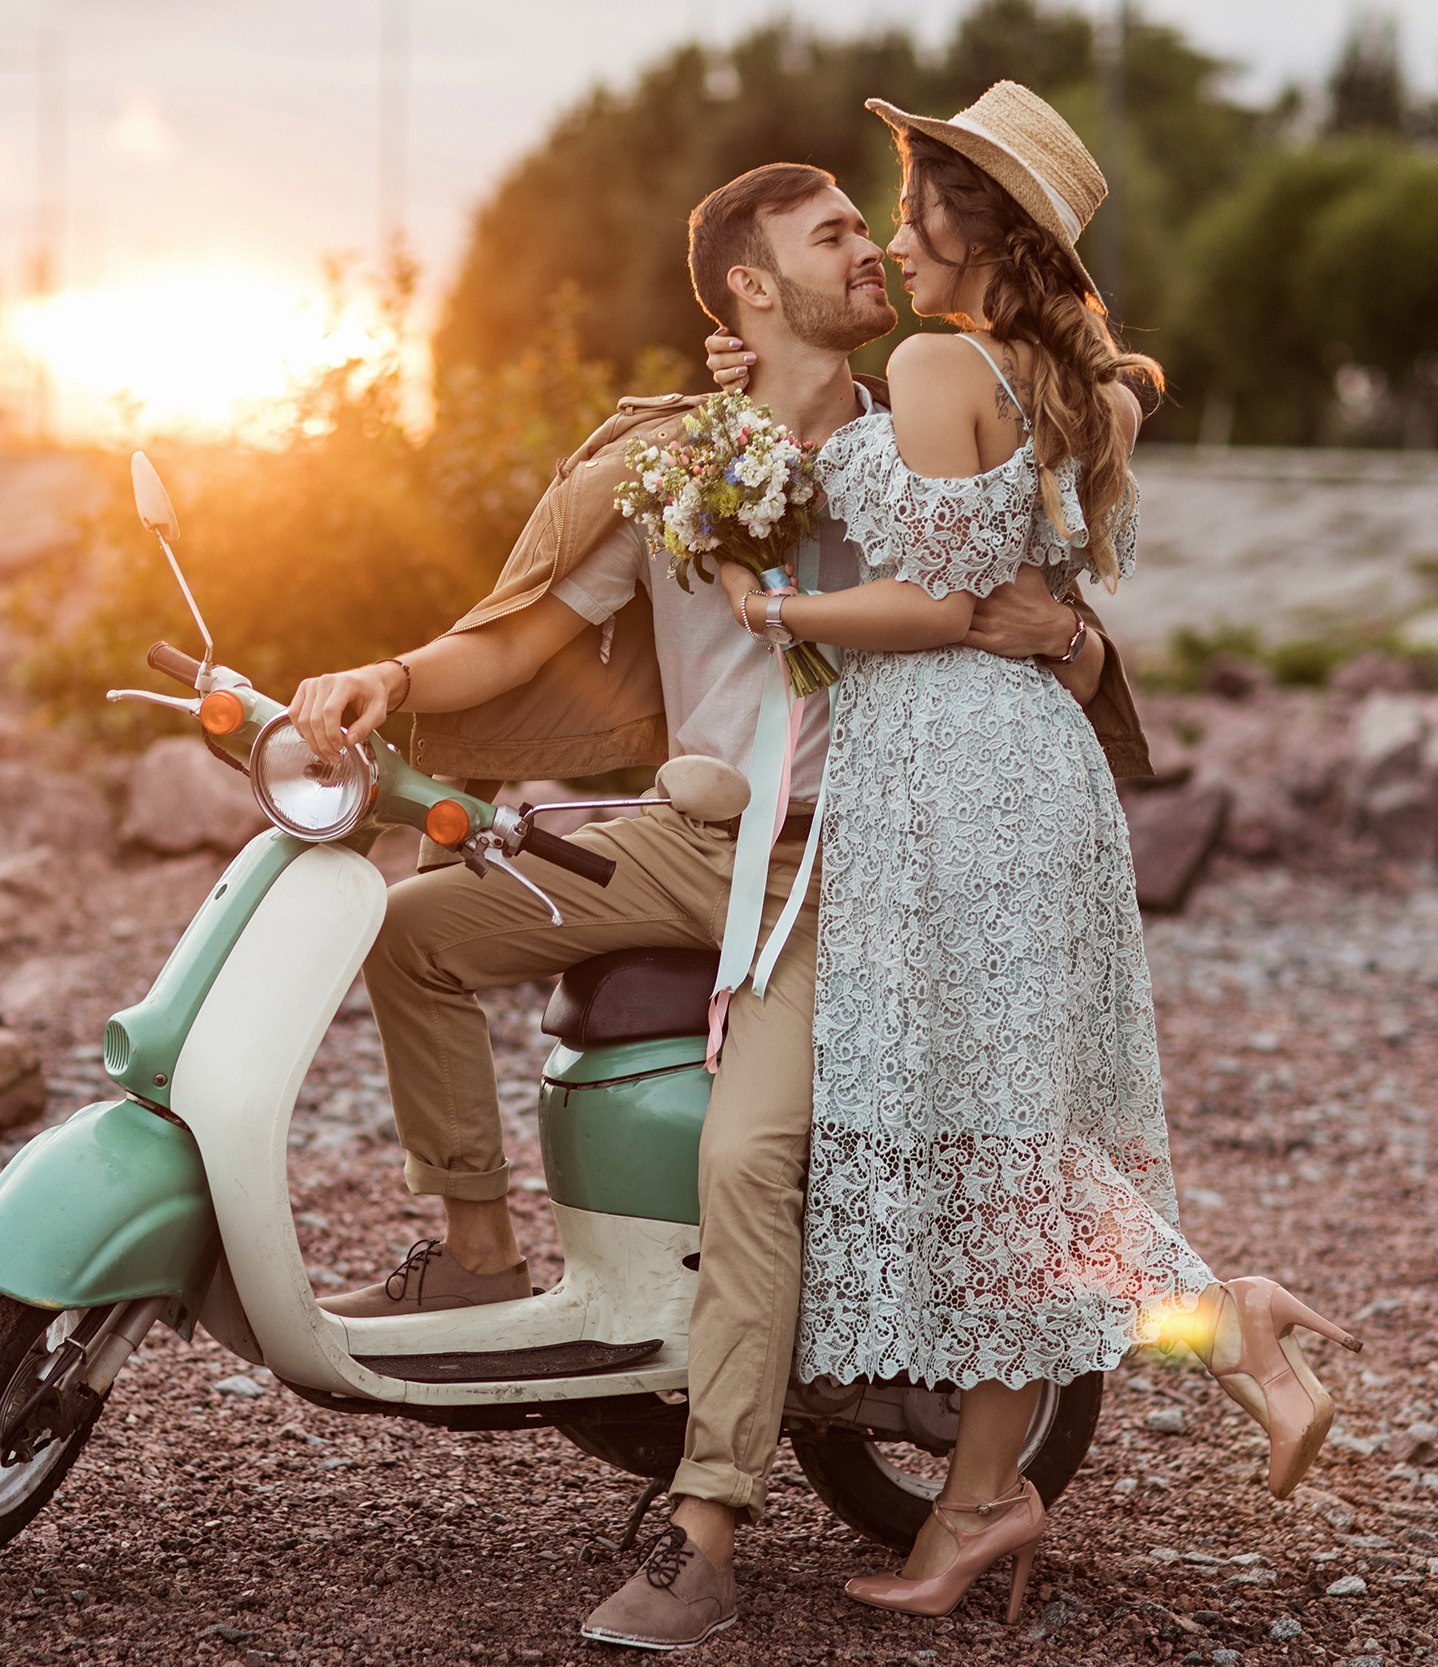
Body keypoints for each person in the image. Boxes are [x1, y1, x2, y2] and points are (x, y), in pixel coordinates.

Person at [284, 160, 1152, 1650]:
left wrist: (1061, 630)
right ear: (750, 287)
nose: (873, 250)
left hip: (853, 853)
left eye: (872, 227)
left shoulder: (921, 432)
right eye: (831, 237)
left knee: (750, 1159)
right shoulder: (673, 462)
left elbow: (1026, 597)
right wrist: (391, 680)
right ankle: (479, 1244)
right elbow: (521, 638)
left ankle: (704, 1525)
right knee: (410, 928)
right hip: (692, 833)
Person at [704, 82, 1362, 1621]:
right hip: (1023, 778)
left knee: (986, 1152)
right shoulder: (1055, 382)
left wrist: (775, 608)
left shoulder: (942, 360)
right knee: (999, 1153)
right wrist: (776, 415)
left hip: (957, 782)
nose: (887, 234)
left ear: (968, 221)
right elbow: (987, 569)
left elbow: (932, 603)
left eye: (905, 204)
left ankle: (1214, 1339)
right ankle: (994, 1496)